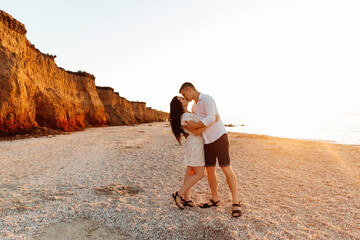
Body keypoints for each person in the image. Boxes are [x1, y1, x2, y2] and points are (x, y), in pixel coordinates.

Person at [179, 82, 241, 218]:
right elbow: (206, 121)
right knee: (210, 170)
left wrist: (196, 124)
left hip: (219, 136)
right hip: (206, 141)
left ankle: (236, 202)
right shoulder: (194, 107)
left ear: (189, 89)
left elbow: (211, 118)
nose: (185, 97)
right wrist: (194, 126)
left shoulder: (206, 98)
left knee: (226, 168)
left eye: (184, 94)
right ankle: (215, 199)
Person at [169, 96, 207, 209]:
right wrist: (210, 122)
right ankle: (179, 194)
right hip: (194, 145)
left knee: (190, 171)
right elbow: (196, 131)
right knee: (200, 174)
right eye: (181, 98)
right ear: (179, 105)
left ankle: (186, 198)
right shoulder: (185, 116)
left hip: (193, 144)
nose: (184, 98)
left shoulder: (188, 114)